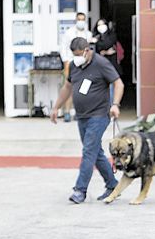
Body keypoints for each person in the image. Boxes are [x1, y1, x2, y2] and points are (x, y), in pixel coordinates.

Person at [50, 37, 121, 204]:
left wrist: (115, 104)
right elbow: (67, 87)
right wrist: (56, 107)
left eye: (79, 54)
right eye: (74, 54)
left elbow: (118, 83)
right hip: (82, 116)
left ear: (88, 50)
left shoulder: (101, 63)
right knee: (95, 152)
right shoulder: (74, 65)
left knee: (89, 151)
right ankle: (112, 185)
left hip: (99, 115)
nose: (77, 57)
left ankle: (80, 190)